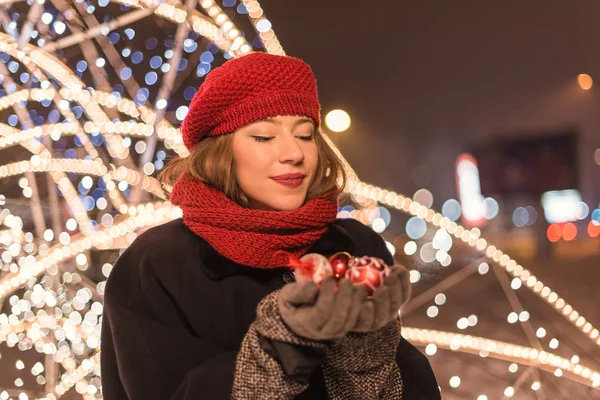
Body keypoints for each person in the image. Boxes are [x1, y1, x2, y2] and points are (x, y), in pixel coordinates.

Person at [100, 52, 440, 399]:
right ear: (219, 151)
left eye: (306, 134)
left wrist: (364, 358)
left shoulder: (353, 246)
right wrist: (278, 352)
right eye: (263, 136)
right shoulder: (156, 265)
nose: (294, 152)